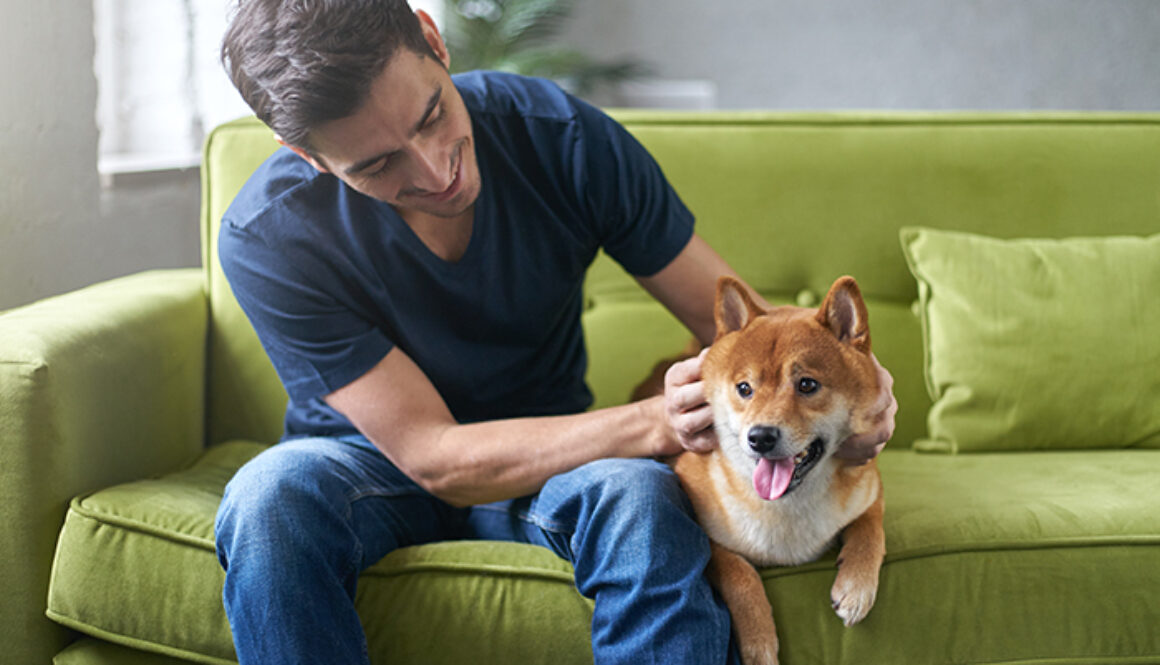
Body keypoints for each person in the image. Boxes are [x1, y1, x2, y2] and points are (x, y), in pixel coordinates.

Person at [213, 1, 897, 663]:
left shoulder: (561, 137)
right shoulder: (269, 233)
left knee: (641, 497)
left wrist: (862, 384)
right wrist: (655, 422)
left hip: (555, 455)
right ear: (305, 154)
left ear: (434, 39)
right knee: (268, 499)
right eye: (376, 165)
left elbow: (763, 334)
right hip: (365, 465)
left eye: (431, 115)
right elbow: (435, 455)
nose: (434, 169)